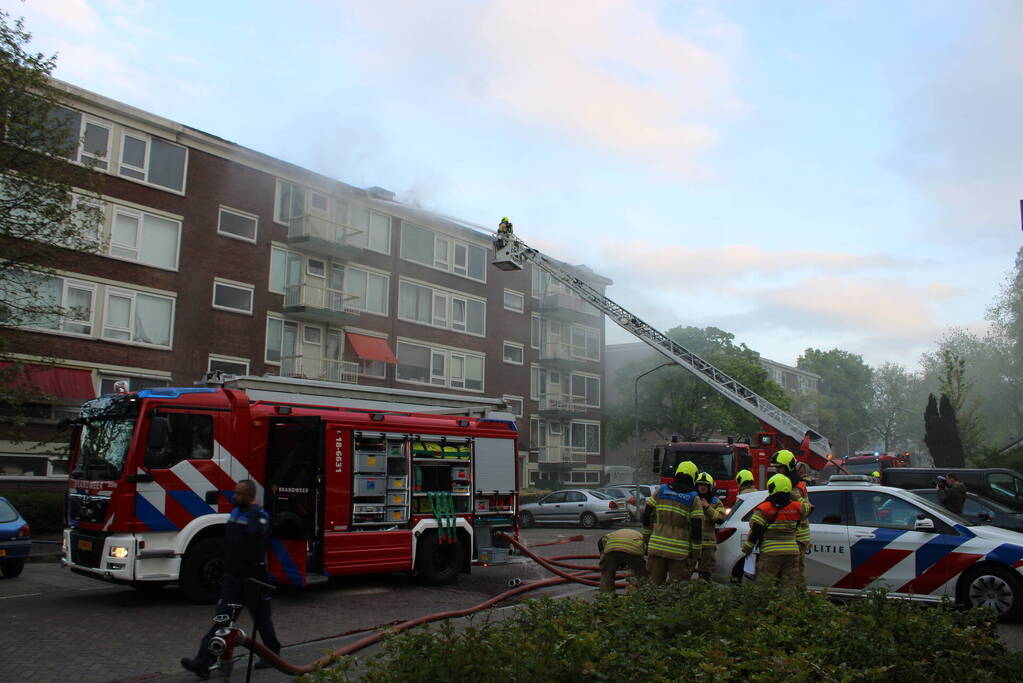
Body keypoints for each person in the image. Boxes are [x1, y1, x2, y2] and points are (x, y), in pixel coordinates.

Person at [181, 480, 281, 678]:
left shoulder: (260, 517)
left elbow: (256, 535)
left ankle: (272, 653)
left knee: (262, 620)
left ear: (250, 496)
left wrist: (254, 512)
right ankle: (203, 662)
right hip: (233, 579)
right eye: (235, 493)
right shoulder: (235, 514)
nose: (234, 497)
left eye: (239, 494)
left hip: (254, 580)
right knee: (222, 621)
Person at [643, 460, 704, 585]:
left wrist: (647, 539)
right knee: (677, 591)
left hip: (656, 548)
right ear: (693, 477)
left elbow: (646, 515)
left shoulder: (661, 490)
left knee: (652, 587)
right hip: (679, 552)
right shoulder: (693, 498)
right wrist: (696, 554)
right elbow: (697, 528)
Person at [741, 474, 809, 583]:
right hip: (792, 553)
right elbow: (809, 508)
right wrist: (796, 496)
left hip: (770, 553)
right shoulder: (797, 507)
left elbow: (756, 531)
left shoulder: (764, 508)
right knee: (789, 586)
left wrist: (747, 548)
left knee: (766, 585)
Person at [772, 450, 812, 572]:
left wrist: (795, 497)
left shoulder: (795, 487)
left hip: (797, 537)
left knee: (795, 574)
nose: (776, 471)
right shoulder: (785, 484)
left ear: (788, 467)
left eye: (779, 468)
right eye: (775, 468)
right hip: (789, 537)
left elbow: (806, 509)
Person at [694, 471, 726, 580]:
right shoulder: (692, 499)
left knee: (706, 574)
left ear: (710, 487)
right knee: (685, 570)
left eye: (705, 485)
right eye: (700, 485)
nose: (703, 487)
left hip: (708, 545)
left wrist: (707, 507)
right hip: (692, 542)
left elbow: (721, 519)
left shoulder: (716, 502)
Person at [597, 528, 648, 593]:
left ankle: (606, 595)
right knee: (642, 575)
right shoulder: (641, 537)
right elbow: (645, 557)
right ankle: (642, 594)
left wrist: (603, 557)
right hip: (632, 547)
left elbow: (600, 542)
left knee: (607, 573)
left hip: (612, 547)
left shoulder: (609, 536)